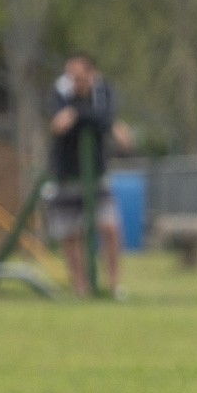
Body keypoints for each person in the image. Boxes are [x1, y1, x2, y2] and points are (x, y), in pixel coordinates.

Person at [45, 53, 133, 298]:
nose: (75, 81)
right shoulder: (58, 90)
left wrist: (76, 114)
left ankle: (114, 285)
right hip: (66, 173)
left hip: (96, 172)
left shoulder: (103, 91)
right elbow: (59, 122)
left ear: (91, 74)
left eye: (81, 76)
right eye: (71, 75)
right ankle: (80, 288)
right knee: (70, 234)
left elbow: (104, 117)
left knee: (110, 227)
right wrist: (96, 120)